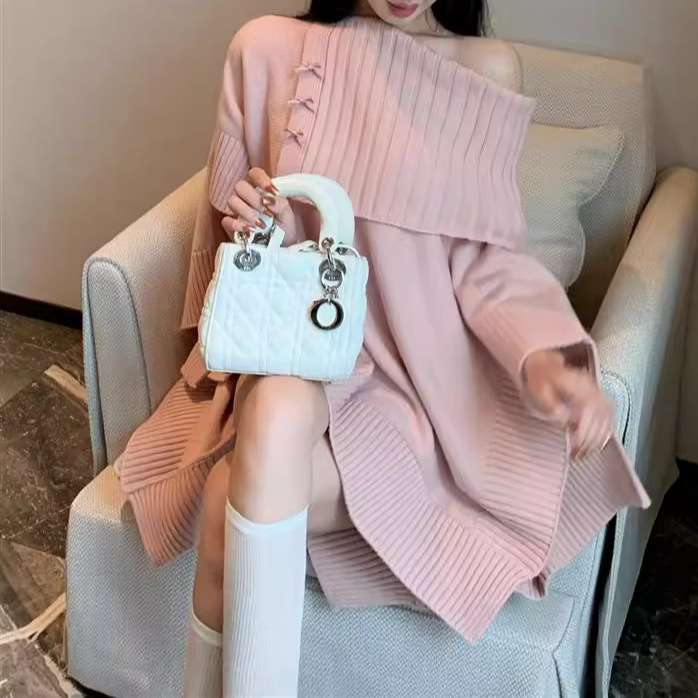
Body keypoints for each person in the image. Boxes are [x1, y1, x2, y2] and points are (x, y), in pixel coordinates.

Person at [117, 1, 651, 696]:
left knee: (226, 494)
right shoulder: (266, 48)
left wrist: (545, 356)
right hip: (301, 347)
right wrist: (255, 218)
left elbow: (487, 262)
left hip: (415, 386)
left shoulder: (486, 67)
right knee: (274, 410)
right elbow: (233, 245)